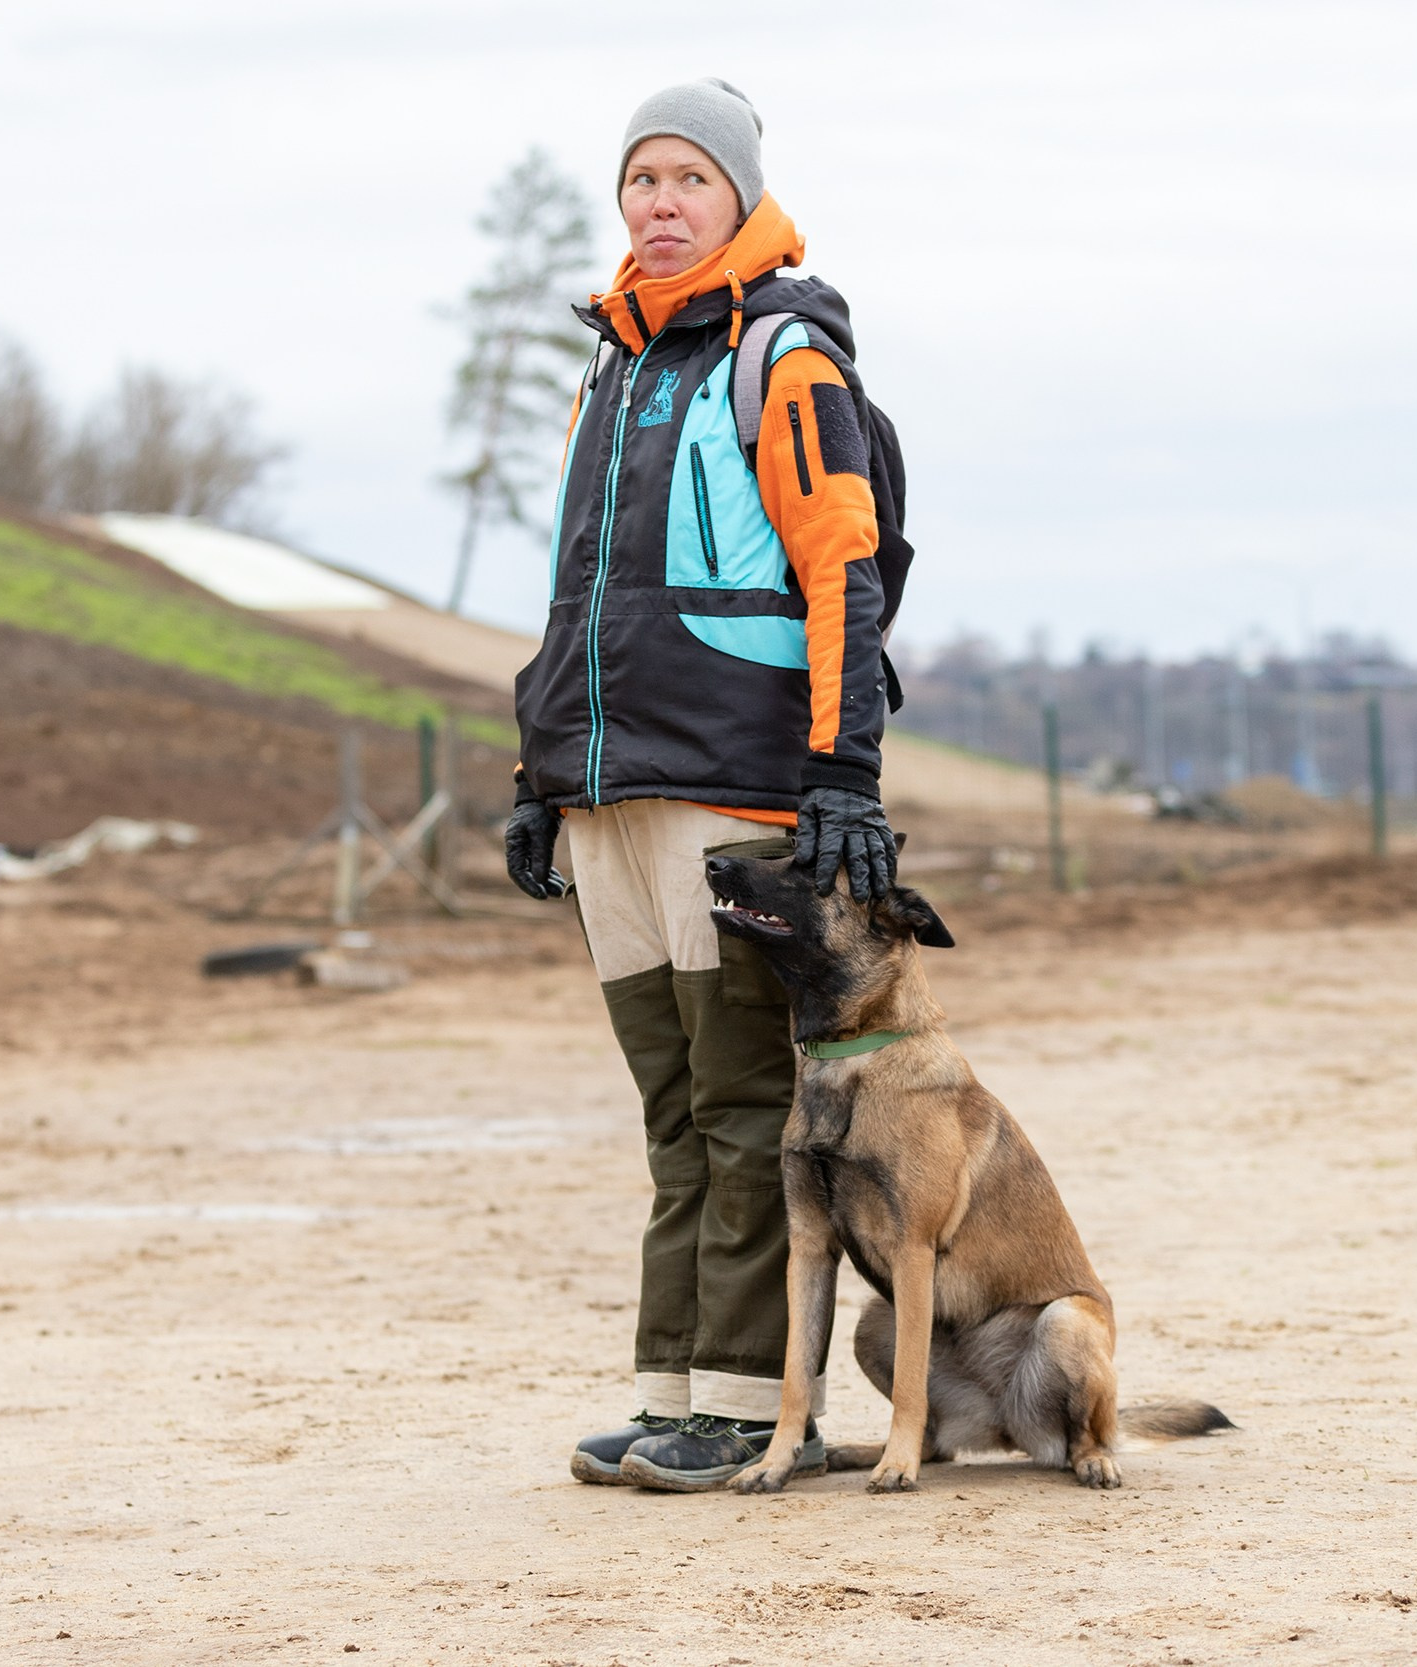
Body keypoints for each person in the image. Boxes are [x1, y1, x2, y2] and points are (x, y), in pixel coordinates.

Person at [505, 79, 896, 1492]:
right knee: (673, 1115)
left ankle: (748, 1410)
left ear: (736, 197)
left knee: (742, 1108)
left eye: (688, 180)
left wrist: (841, 777)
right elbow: (572, 601)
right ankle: (673, 1391)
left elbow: (838, 568)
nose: (660, 204)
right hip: (610, 794)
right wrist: (538, 774)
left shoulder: (782, 360)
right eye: (641, 180)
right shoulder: (606, 372)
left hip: (737, 790)